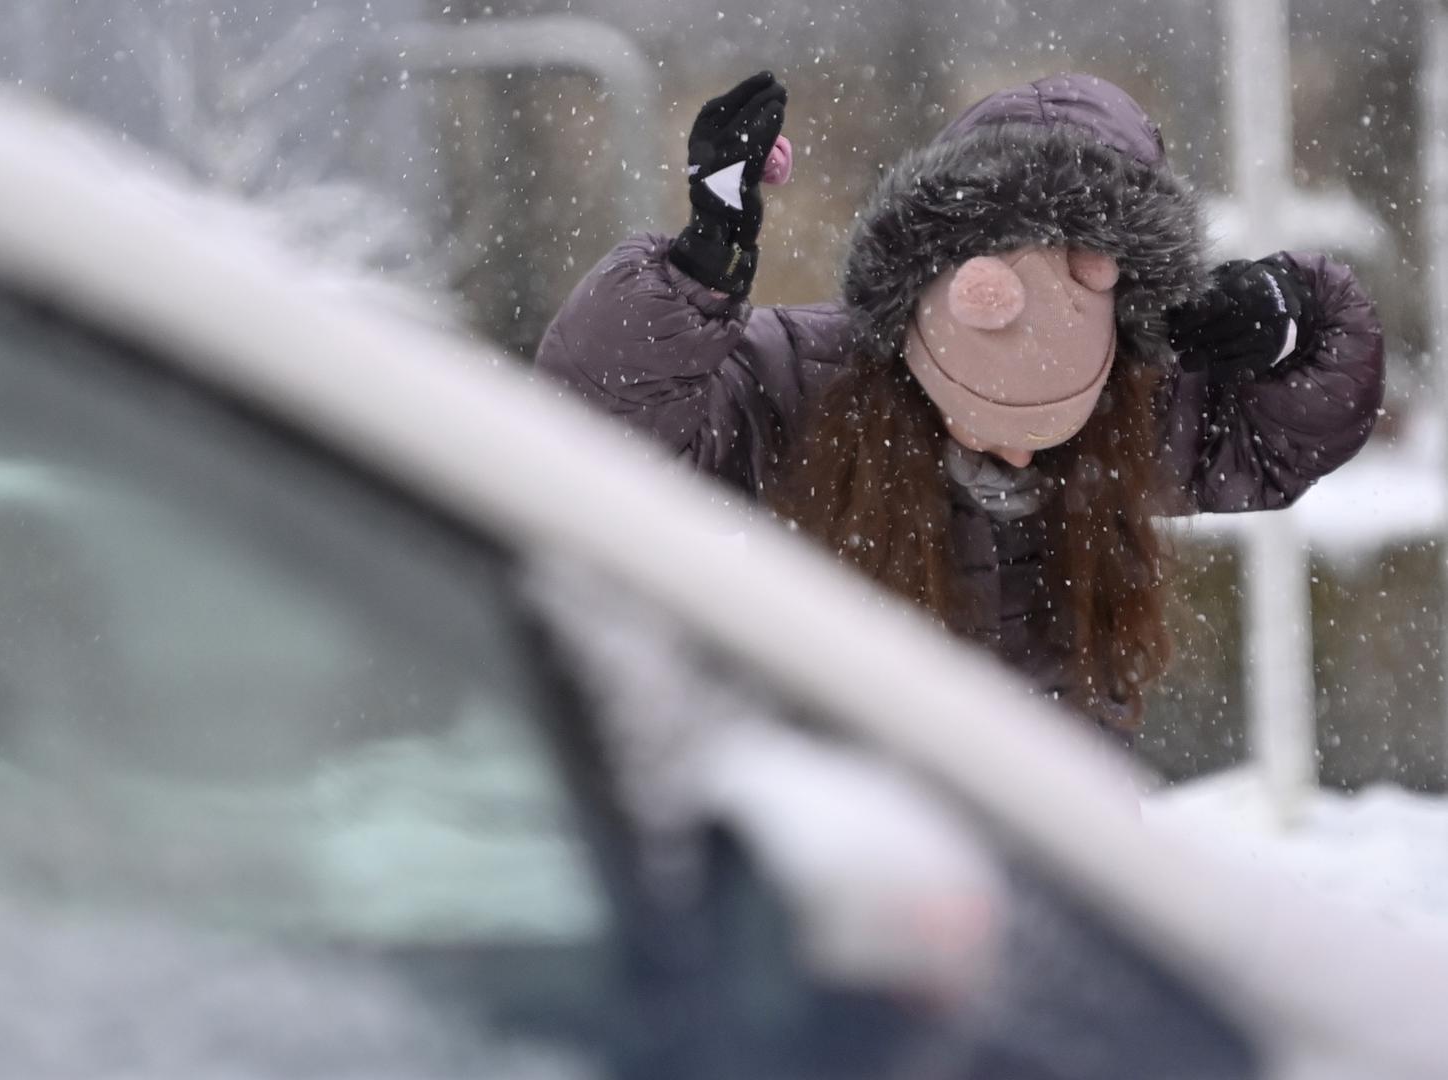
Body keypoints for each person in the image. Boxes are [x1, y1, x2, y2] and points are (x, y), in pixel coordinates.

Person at [535, 71, 1384, 737]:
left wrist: (1297, 314)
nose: (1018, 458)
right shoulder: (816, 376)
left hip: (1057, 835)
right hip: (854, 835)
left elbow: (1289, 434)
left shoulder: (1136, 400)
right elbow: (598, 435)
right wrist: (696, 272)